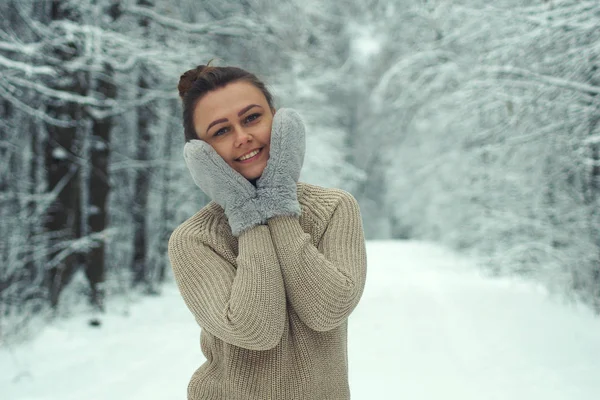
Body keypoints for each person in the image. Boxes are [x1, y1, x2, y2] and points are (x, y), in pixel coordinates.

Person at [168, 64, 367, 400]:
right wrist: (245, 214)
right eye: (220, 131)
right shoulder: (194, 240)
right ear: (201, 155)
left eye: (251, 118)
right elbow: (256, 330)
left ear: (278, 122)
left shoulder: (334, 208)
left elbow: (327, 310)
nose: (242, 137)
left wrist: (278, 205)